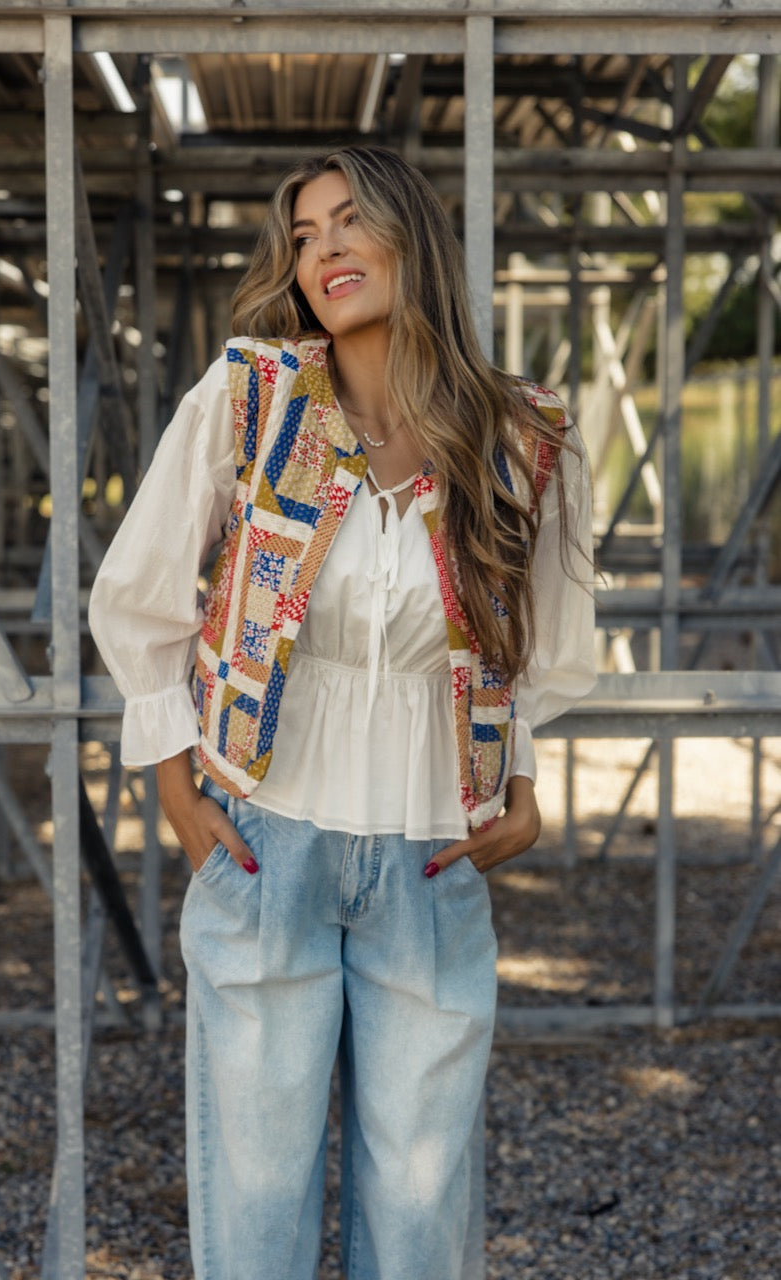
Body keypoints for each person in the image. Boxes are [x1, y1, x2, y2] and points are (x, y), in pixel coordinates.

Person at [89, 144, 595, 1280]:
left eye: (348, 220)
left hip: (430, 854)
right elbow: (137, 595)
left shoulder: (520, 434)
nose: (323, 249)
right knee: (255, 1198)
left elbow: (542, 641)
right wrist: (173, 780)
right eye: (304, 235)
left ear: (411, 233)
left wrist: (519, 782)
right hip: (267, 838)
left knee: (419, 1208)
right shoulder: (249, 397)